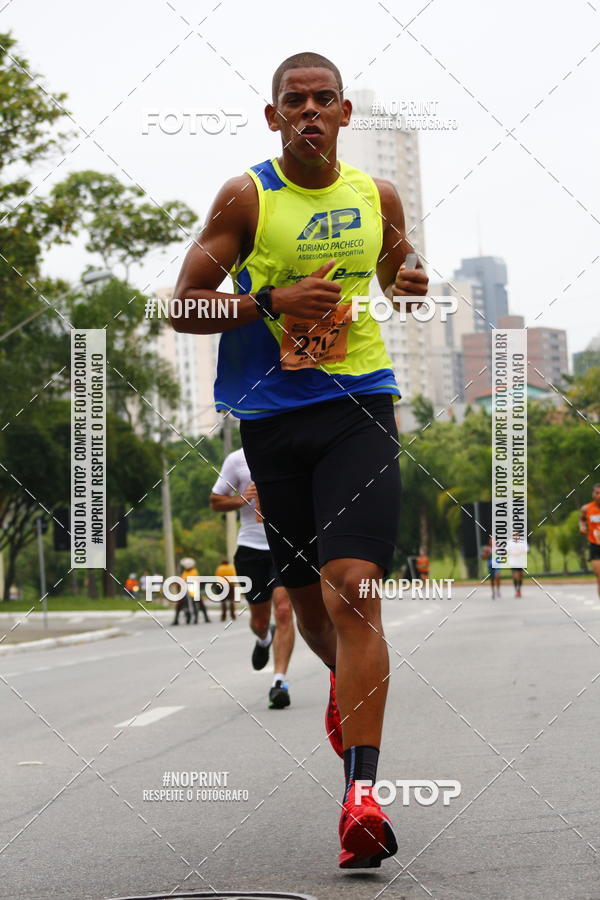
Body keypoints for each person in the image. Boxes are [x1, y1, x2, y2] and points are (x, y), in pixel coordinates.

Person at [172, 51, 428, 868]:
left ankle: (361, 795)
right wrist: (270, 301)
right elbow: (182, 305)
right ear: (273, 115)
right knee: (309, 610)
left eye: (324, 100)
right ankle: (339, 695)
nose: (310, 112)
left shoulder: (374, 194)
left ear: (345, 114)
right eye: (295, 101)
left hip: (358, 403)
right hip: (273, 421)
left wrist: (411, 277)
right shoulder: (248, 196)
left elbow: (396, 267)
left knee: (352, 589)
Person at [210, 448, 295, 710]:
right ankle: (263, 638)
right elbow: (215, 501)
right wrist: (241, 500)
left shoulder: (289, 453)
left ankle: (279, 682)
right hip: (250, 549)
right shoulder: (237, 460)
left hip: (285, 545)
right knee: (259, 620)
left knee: (283, 611)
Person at [580, 483, 600, 597]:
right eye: (597, 493)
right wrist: (582, 526)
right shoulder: (586, 509)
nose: (599, 495)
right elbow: (582, 520)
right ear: (593, 494)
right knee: (599, 576)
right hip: (595, 545)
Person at [507, 532, 528, 597]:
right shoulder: (510, 542)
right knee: (515, 576)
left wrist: (520, 552)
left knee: (520, 576)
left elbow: (526, 550)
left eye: (517, 535)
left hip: (521, 562)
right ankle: (517, 590)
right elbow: (507, 551)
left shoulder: (523, 542)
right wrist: (513, 553)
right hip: (513, 562)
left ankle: (519, 589)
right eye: (514, 535)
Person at [215, 557, 237, 621]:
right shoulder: (231, 567)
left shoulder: (219, 568)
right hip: (231, 585)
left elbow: (217, 577)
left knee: (223, 602)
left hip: (222, 586)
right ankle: (233, 615)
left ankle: (223, 616)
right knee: (231, 601)